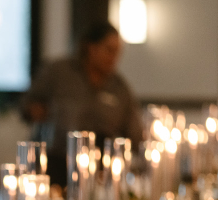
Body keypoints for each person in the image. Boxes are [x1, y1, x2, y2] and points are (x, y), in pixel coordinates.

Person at [21, 21, 143, 186]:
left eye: (117, 53)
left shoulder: (120, 88)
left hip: (100, 172)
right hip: (56, 164)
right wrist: (35, 111)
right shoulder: (58, 73)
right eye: (109, 51)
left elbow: (135, 135)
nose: (114, 58)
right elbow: (26, 105)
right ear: (91, 48)